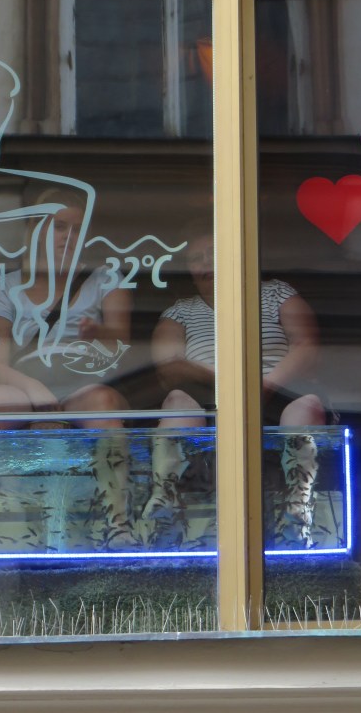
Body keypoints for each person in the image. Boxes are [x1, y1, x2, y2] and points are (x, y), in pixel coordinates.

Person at [0, 188, 135, 552]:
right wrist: (35, 390)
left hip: (84, 388)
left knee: (106, 405)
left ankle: (118, 527)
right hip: (22, 388)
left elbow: (122, 351)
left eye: (77, 229)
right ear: (34, 230)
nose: (68, 236)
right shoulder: (7, 284)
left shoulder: (106, 280)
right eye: (59, 226)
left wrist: (99, 335)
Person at [142, 232, 325, 547]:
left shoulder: (275, 292)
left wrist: (263, 385)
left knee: (306, 406)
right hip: (206, 397)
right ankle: (165, 500)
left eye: (212, 253)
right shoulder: (180, 310)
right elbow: (169, 365)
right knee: (177, 402)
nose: (206, 263)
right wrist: (231, 384)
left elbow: (306, 344)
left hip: (277, 392)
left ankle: (298, 503)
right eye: (196, 259)